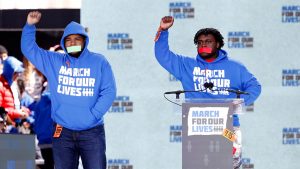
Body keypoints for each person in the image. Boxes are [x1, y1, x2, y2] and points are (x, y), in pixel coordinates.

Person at [154, 16, 261, 169]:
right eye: (200, 42)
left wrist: (239, 103)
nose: (203, 45)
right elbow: (163, 56)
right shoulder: (187, 65)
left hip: (227, 129)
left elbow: (254, 86)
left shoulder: (235, 67)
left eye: (208, 41)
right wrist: (163, 31)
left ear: (217, 44)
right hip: (197, 128)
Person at [21, 11, 117, 169]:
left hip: (91, 132)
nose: (73, 43)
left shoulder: (98, 61)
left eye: (77, 39)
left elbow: (109, 91)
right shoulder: (54, 61)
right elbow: (29, 49)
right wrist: (30, 26)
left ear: (84, 41)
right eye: (69, 40)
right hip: (62, 131)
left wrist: (92, 116)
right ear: (63, 43)